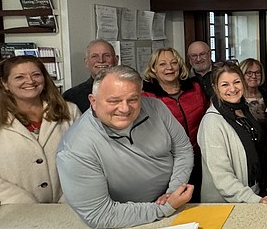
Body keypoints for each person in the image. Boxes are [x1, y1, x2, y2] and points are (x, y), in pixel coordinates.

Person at [56, 66, 194, 229]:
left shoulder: (157, 108)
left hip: (173, 205)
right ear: (93, 101)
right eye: (114, 101)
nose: (125, 108)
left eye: (133, 100)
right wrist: (164, 207)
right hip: (124, 220)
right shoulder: (73, 149)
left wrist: (172, 193)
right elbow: (99, 215)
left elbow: (183, 149)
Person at [0, 56, 79, 204]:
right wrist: (27, 204)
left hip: (68, 206)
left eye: (36, 75)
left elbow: (84, 159)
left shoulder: (69, 111)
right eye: (19, 77)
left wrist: (69, 197)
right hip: (14, 211)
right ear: (5, 84)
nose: (30, 81)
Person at [197, 61, 267, 204]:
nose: (233, 89)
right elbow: (222, 175)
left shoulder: (244, 110)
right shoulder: (212, 122)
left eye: (236, 82)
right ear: (215, 87)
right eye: (225, 85)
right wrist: (253, 199)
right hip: (225, 204)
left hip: (252, 193)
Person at [142, 47, 208, 201]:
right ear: (153, 69)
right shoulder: (146, 96)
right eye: (162, 64)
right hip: (170, 166)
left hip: (201, 160)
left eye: (173, 63)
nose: (169, 68)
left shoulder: (195, 88)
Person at [63, 39, 117, 112]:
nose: (101, 60)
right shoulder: (71, 97)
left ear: (116, 60)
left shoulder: (129, 90)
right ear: (86, 62)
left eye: (106, 55)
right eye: (94, 56)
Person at [240, 58, 267, 130]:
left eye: (257, 72)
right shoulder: (237, 97)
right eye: (249, 73)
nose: (254, 76)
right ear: (241, 75)